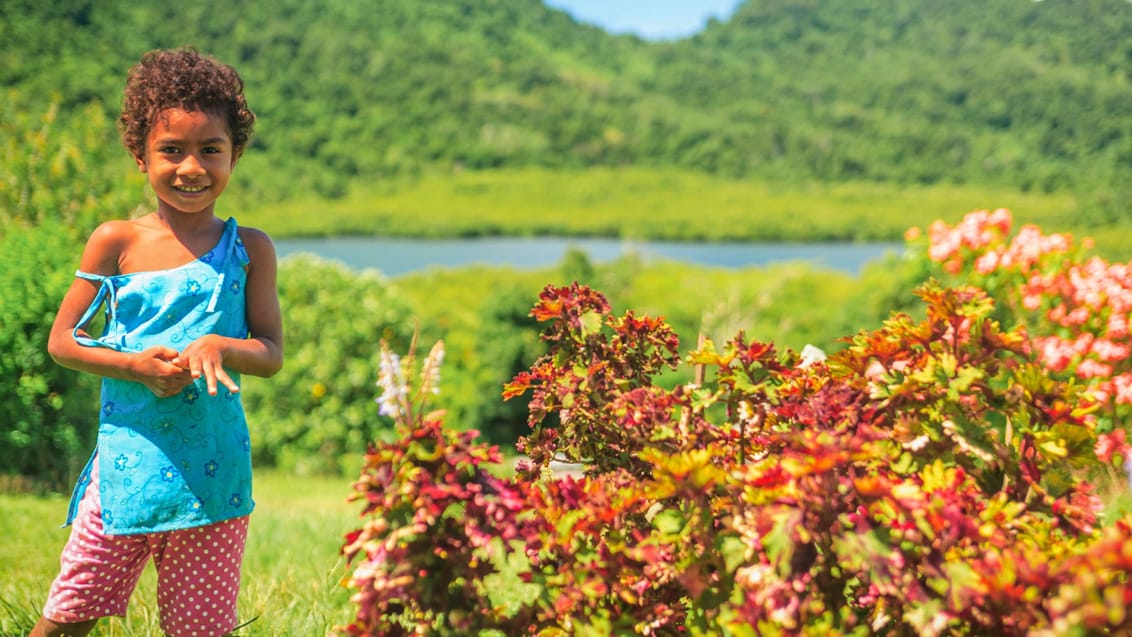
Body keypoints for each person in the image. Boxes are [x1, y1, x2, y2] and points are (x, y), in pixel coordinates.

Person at [30, 47, 283, 637]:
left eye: (210, 150)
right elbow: (64, 342)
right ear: (140, 155)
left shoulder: (251, 249)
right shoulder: (115, 241)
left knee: (199, 629)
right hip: (126, 472)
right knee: (69, 614)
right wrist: (134, 366)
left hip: (214, 481)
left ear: (235, 154)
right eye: (171, 150)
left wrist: (222, 345)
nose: (191, 167)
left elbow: (270, 352)